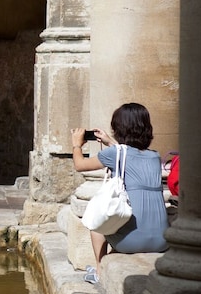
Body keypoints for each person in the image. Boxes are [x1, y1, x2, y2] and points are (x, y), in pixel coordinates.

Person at [71, 102, 168, 283]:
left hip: (132, 243)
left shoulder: (114, 153)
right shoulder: (154, 156)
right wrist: (110, 142)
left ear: (118, 128)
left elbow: (80, 165)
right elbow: (129, 155)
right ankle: (108, 263)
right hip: (162, 241)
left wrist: (77, 145)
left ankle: (100, 271)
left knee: (97, 224)